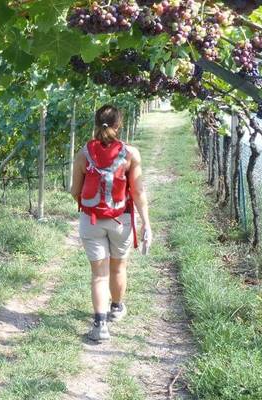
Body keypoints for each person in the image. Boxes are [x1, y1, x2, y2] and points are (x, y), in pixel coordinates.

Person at [70, 104, 152, 342]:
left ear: (95, 123)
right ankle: (116, 307)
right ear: (119, 125)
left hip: (91, 220)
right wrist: (146, 223)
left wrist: (89, 204)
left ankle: (100, 326)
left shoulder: (83, 153)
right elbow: (137, 192)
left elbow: (75, 190)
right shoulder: (131, 154)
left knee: (98, 275)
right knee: (118, 267)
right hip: (121, 221)